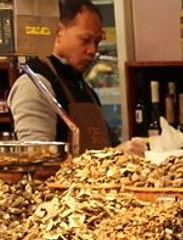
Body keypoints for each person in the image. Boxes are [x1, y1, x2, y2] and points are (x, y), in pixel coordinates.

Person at [8, 0, 143, 154]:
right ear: (58, 32)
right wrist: (111, 156)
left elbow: (110, 146)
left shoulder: (85, 89)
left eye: (97, 42)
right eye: (85, 40)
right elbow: (38, 159)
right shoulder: (36, 84)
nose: (93, 50)